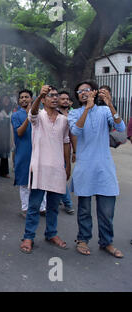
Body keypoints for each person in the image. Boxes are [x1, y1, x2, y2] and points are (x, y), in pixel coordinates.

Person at [68, 80, 126, 258]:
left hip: (104, 169)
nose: (83, 93)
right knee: (84, 210)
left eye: (87, 90)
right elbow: (76, 131)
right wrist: (87, 109)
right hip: (85, 168)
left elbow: (121, 129)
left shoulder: (104, 111)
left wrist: (110, 104)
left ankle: (106, 242)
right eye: (80, 91)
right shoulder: (74, 113)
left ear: (94, 92)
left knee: (106, 211)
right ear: (78, 96)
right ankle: (83, 239)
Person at [20, 85, 71, 254]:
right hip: (39, 168)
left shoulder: (64, 119)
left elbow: (65, 142)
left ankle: (51, 233)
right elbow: (32, 113)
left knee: (54, 206)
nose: (54, 98)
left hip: (57, 169)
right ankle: (28, 237)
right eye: (50, 95)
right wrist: (38, 96)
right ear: (43, 100)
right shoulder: (38, 116)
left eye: (56, 95)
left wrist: (67, 164)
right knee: (34, 206)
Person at [11, 89, 46, 219]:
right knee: (24, 181)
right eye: (21, 97)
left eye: (27, 97)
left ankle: (42, 207)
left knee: (41, 180)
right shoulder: (16, 116)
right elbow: (19, 132)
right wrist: (29, 116)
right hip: (24, 151)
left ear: (32, 99)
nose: (24, 99)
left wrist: (34, 113)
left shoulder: (41, 114)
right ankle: (25, 208)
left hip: (40, 151)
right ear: (19, 101)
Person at [57, 90, 76, 215]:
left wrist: (75, 151)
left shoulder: (73, 115)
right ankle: (66, 202)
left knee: (62, 176)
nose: (65, 101)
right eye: (62, 98)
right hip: (54, 150)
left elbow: (73, 134)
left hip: (66, 149)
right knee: (59, 177)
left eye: (67, 99)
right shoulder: (54, 114)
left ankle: (65, 202)